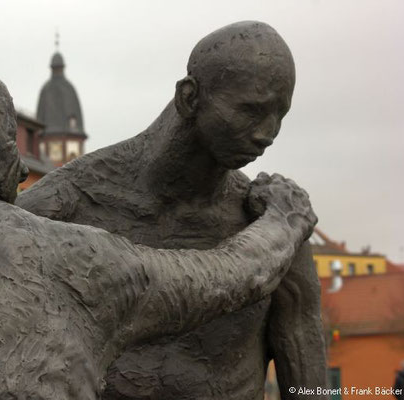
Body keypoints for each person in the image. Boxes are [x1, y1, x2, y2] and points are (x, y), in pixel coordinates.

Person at [0, 62, 315, 400]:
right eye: (12, 142)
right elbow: (226, 275)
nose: (23, 169)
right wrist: (285, 219)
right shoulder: (57, 254)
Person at [17, 21, 327, 399]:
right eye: (251, 111)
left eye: (281, 115)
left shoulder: (275, 223)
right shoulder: (66, 202)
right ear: (190, 97)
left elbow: (308, 378)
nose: (268, 133)